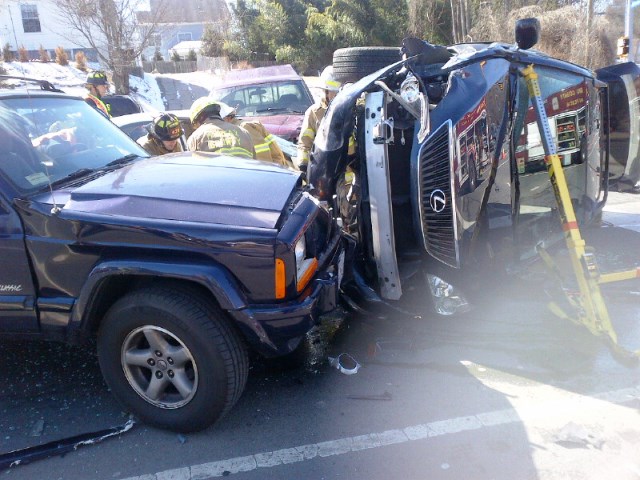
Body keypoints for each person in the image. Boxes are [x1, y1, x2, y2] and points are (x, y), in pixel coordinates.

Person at [296, 65, 341, 171]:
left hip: (346, 170)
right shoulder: (313, 113)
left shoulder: (350, 109)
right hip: (323, 168)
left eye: (338, 92)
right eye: (334, 92)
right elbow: (305, 143)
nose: (337, 96)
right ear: (326, 92)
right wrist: (303, 164)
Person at [220, 104, 293, 168]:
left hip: (273, 169)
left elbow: (262, 157)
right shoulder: (231, 129)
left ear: (228, 118)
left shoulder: (244, 128)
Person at [187, 97, 256, 159]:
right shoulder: (244, 133)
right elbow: (254, 163)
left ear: (199, 119)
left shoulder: (195, 138)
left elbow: (195, 167)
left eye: (195, 125)